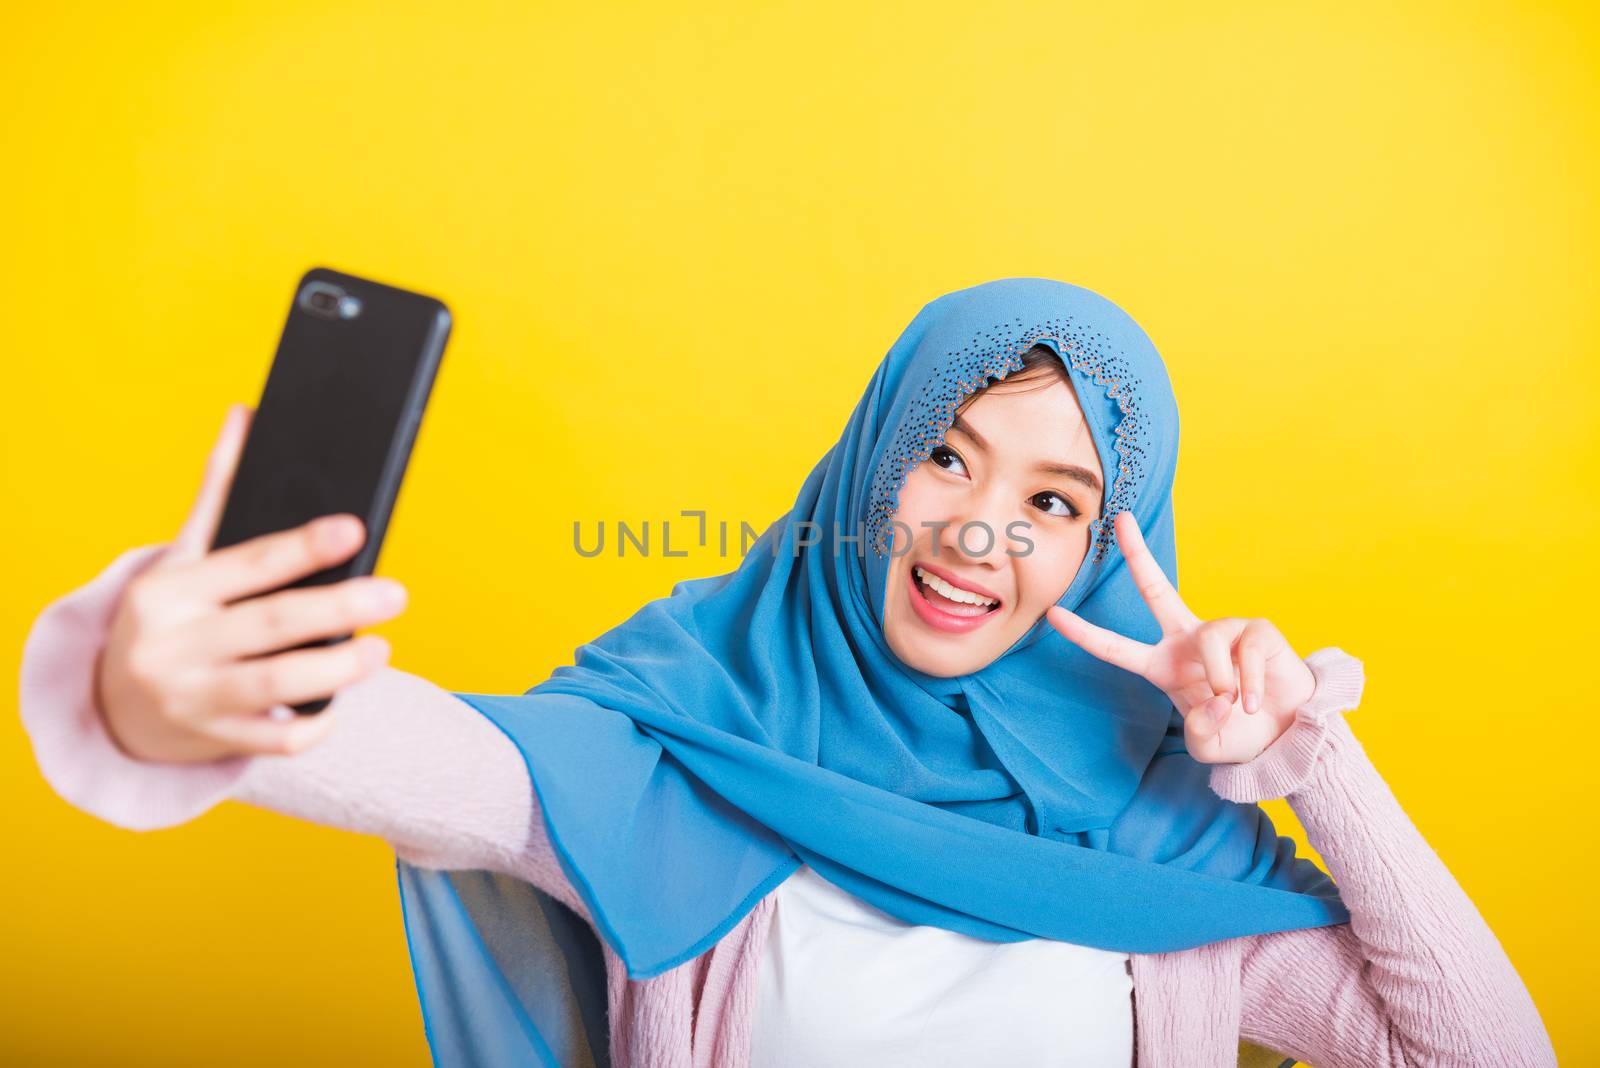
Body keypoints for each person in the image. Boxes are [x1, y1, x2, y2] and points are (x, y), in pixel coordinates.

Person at [20, 278, 1555, 1067]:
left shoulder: (1166, 860)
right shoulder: (682, 749)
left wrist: (1310, 767)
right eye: (946, 455)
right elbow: (430, 759)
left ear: (1105, 548)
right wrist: (159, 687)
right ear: (870, 465)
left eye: (1053, 502)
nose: (977, 531)